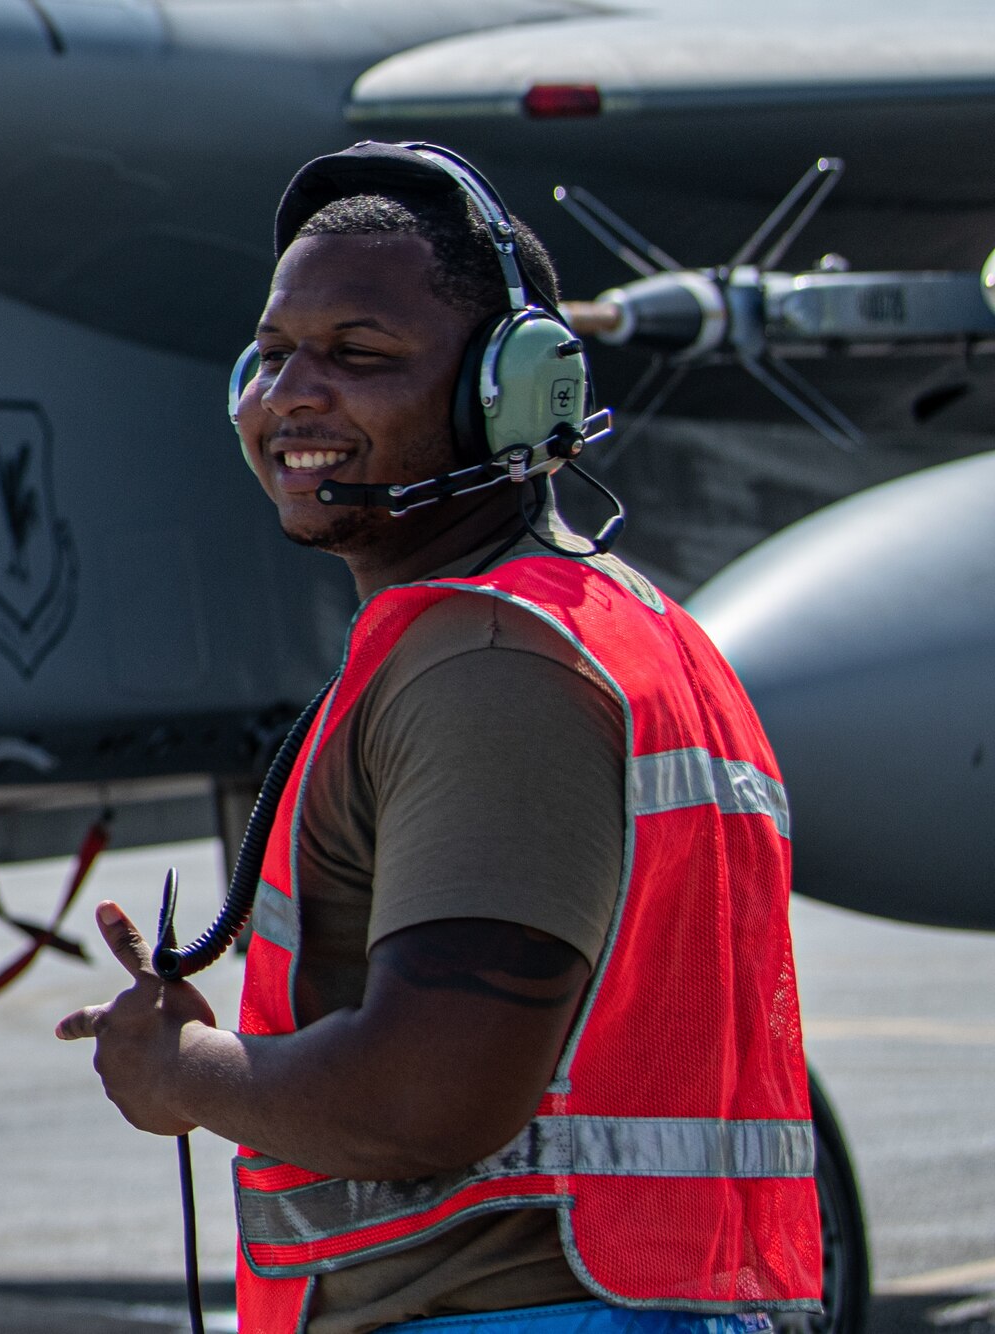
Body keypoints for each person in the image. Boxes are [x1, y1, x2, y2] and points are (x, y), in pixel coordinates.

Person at [55, 142, 821, 1334]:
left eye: (359, 356)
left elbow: (428, 1095)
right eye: (269, 355)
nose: (287, 394)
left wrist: (178, 1073)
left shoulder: (490, 666)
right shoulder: (602, 627)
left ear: (508, 391)